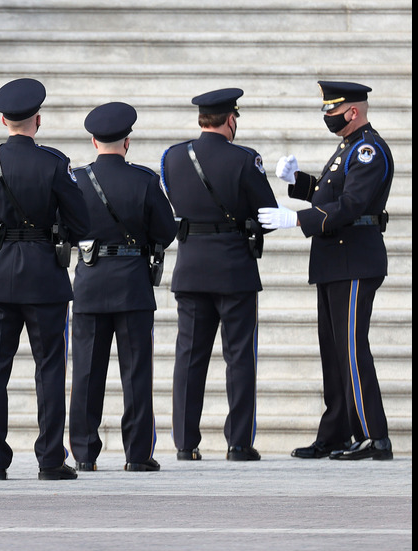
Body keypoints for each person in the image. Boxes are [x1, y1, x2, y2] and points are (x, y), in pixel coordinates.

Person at [0, 78, 90, 481]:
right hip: (44, 276)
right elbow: (81, 221)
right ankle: (50, 459)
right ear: (38, 120)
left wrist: (0, 241)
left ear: (3, 120)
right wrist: (51, 238)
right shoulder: (54, 162)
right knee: (49, 369)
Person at [258, 81, 394, 461]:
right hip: (335, 260)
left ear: (353, 112)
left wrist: (296, 220)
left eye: (333, 112)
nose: (328, 118)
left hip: (354, 259)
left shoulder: (368, 150)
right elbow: (330, 192)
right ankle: (336, 432)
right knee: (333, 352)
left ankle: (373, 436)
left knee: (351, 350)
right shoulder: (348, 147)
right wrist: (299, 183)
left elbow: (351, 205)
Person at [160, 88, 277, 461]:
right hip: (233, 270)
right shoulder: (245, 159)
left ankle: (184, 443)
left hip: (192, 267)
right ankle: (238, 443)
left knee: (189, 358)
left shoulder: (172, 157)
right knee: (239, 357)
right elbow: (267, 215)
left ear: (201, 120)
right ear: (230, 120)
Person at [68, 102, 178, 473]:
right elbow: (166, 231)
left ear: (93, 140)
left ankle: (84, 453)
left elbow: (64, 228)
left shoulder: (77, 180)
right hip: (132, 284)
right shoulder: (145, 180)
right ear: (126, 142)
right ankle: (138, 454)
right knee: (136, 374)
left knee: (85, 373)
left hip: (90, 281)